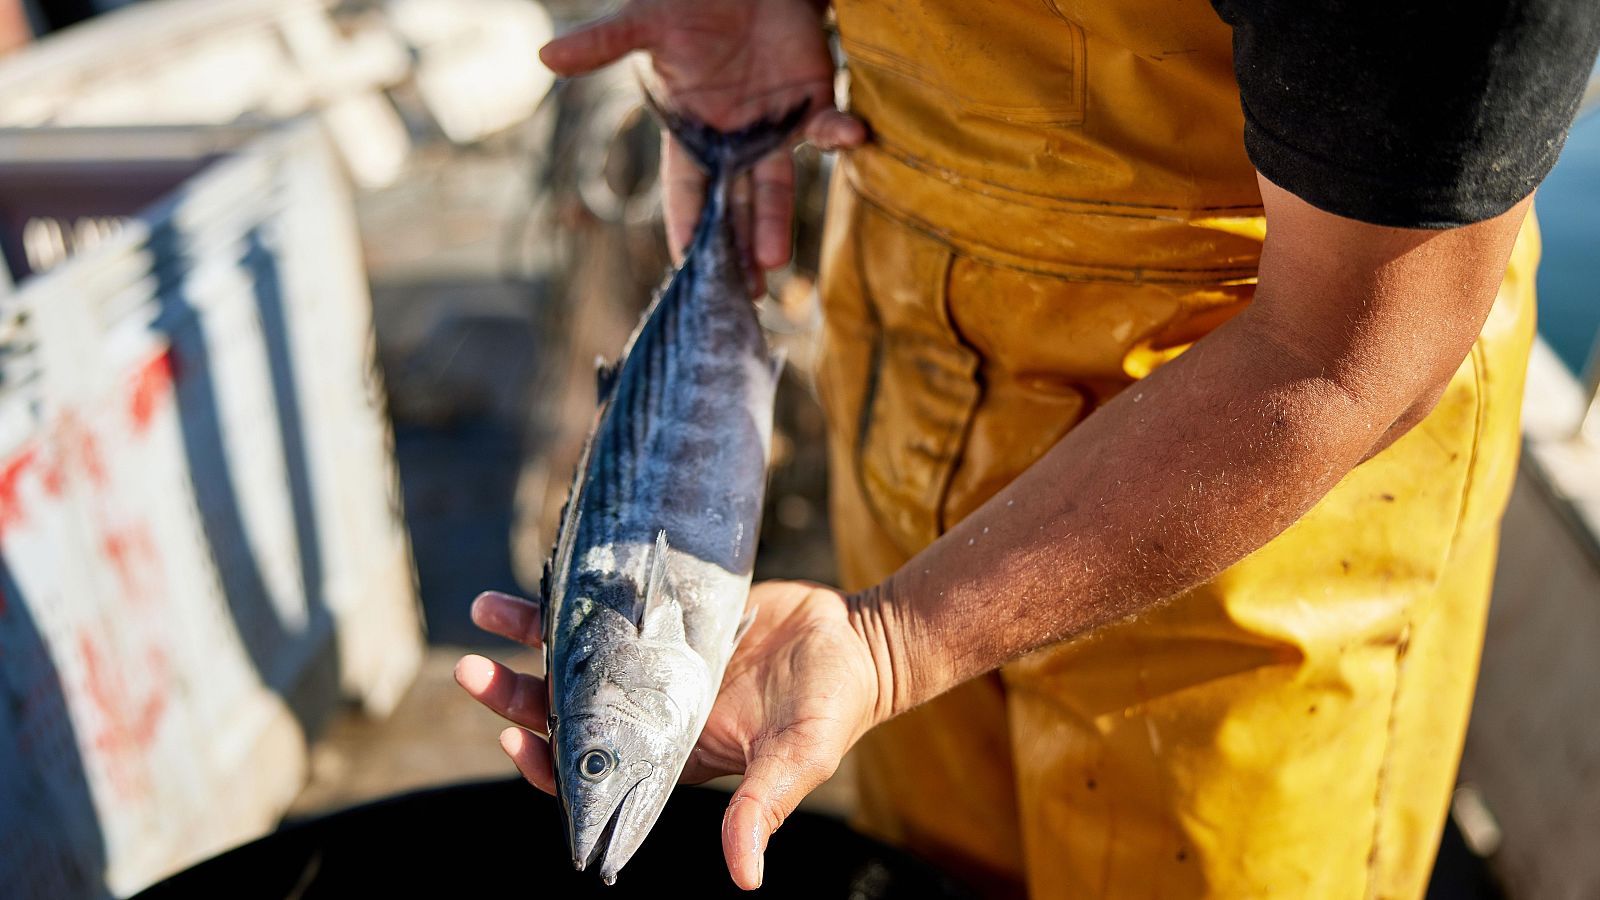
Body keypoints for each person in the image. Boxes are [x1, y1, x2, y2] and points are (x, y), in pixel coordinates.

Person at [456, 0, 1600, 896]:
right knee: (935, 873)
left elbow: (1348, 353)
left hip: (1254, 480)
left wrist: (895, 643)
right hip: (907, 356)